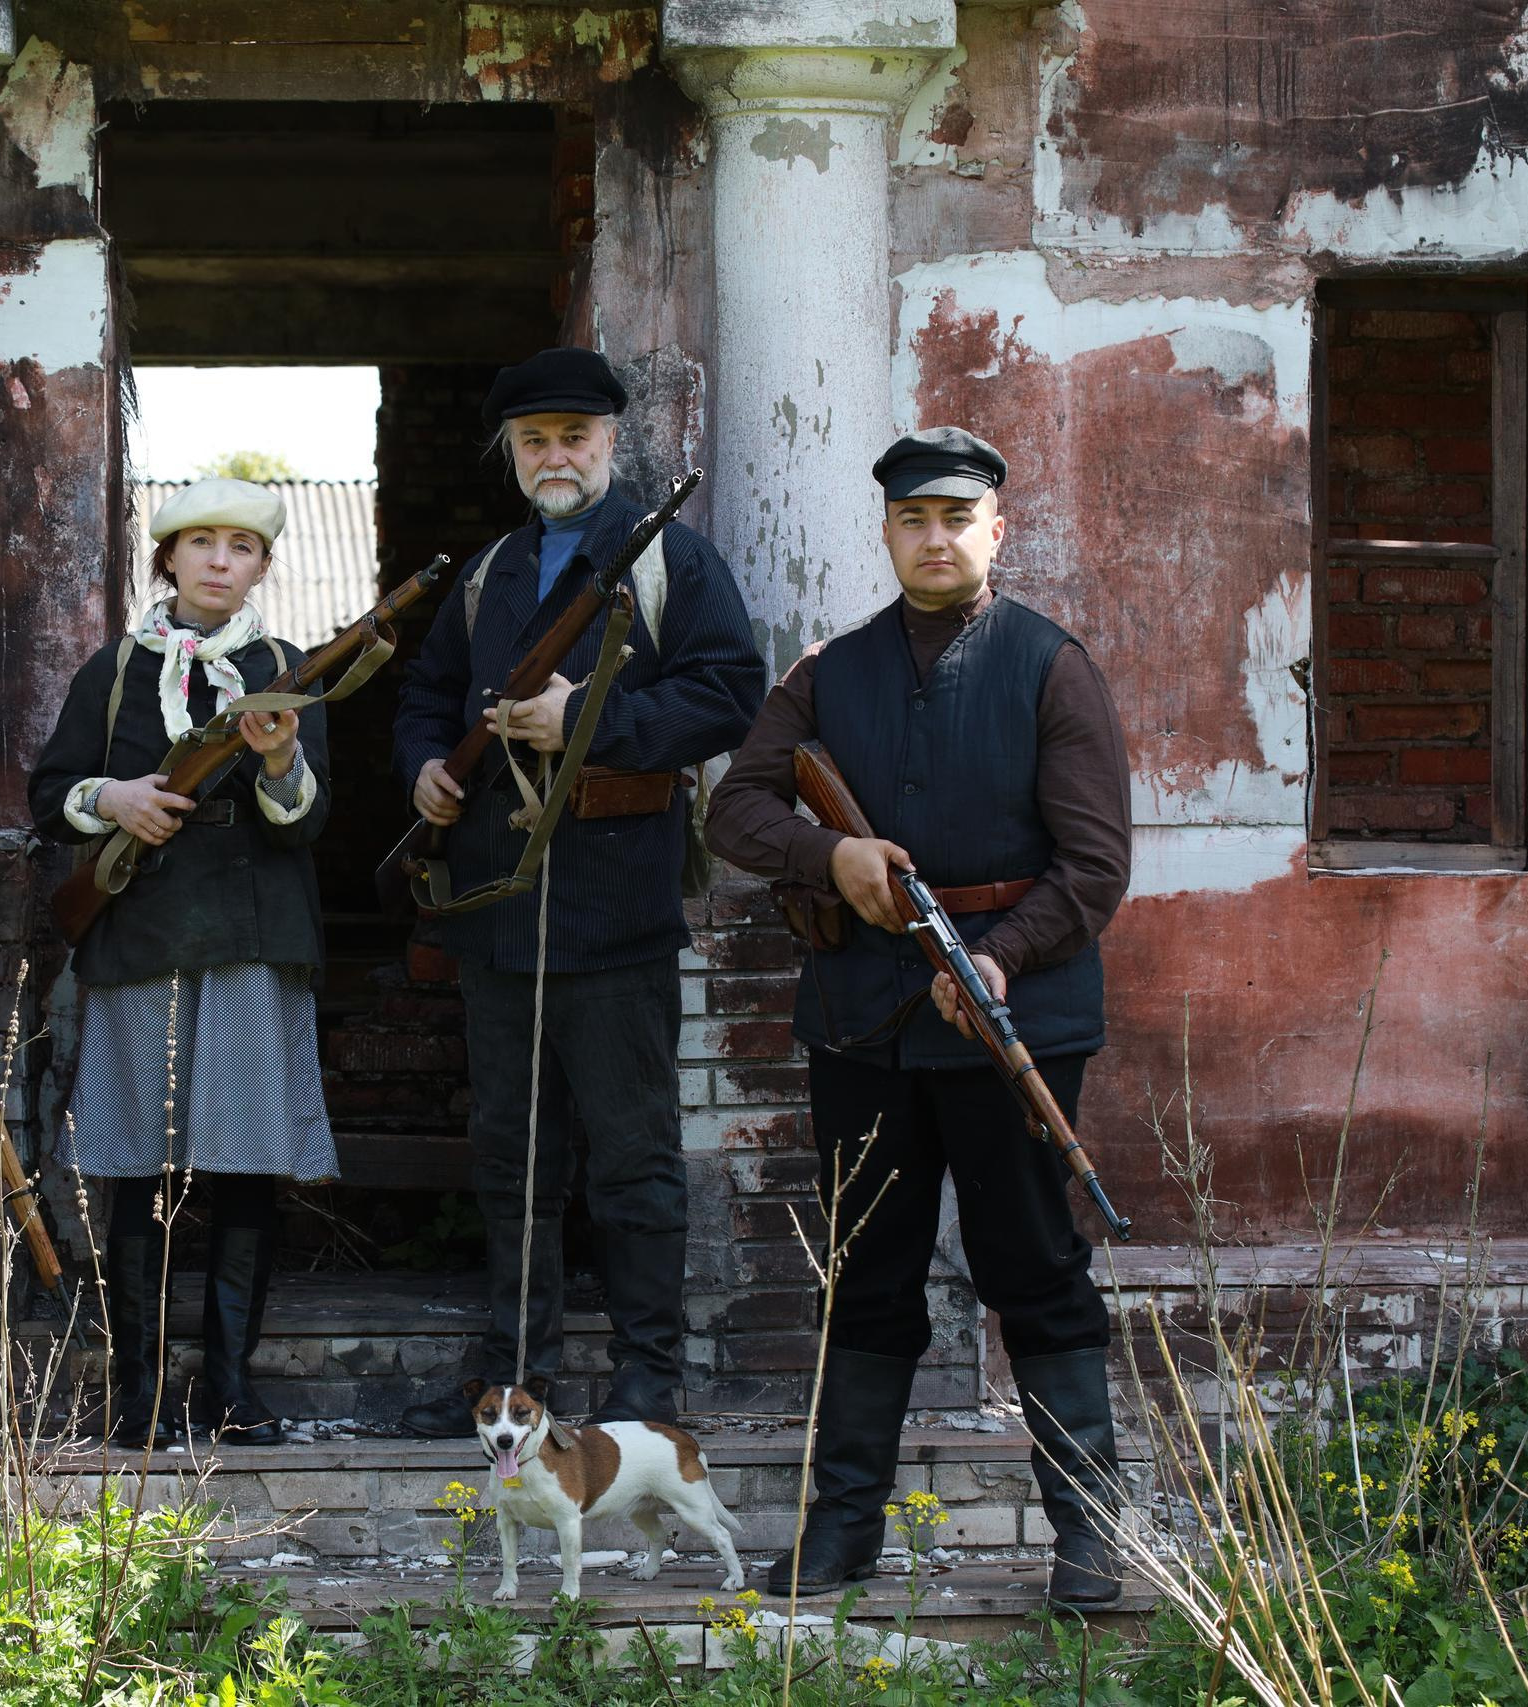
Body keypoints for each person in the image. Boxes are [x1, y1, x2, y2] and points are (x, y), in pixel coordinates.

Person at [703, 427, 1134, 1609]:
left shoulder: (1053, 666)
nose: (934, 538)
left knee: (1036, 1269)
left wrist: (997, 957)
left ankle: (1090, 1539)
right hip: (861, 1018)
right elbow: (734, 812)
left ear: (996, 529)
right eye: (912, 519)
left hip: (1016, 1017)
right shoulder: (823, 673)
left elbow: (1095, 868)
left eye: (957, 517)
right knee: (866, 1275)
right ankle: (840, 1534)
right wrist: (829, 852)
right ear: (886, 531)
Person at [391, 347, 765, 1438]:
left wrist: (587, 722)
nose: (555, 455)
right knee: (512, 1157)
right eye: (534, 440)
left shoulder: (671, 564)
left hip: (617, 904)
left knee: (635, 1157)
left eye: (575, 436)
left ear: (611, 441)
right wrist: (420, 763)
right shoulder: (487, 573)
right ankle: (515, 1374)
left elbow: (729, 694)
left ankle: (649, 1379)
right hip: (496, 907)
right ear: (510, 452)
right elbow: (424, 696)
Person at [27, 477, 335, 1450]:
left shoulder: (286, 671)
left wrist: (280, 764)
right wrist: (113, 798)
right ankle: (142, 1396)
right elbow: (49, 794)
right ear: (167, 557)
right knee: (139, 1167)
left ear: (259, 566)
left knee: (245, 1168)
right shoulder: (113, 671)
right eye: (199, 542)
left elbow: (311, 820)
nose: (216, 560)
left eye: (238, 546)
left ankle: (233, 1393)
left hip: (251, 936)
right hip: (144, 936)